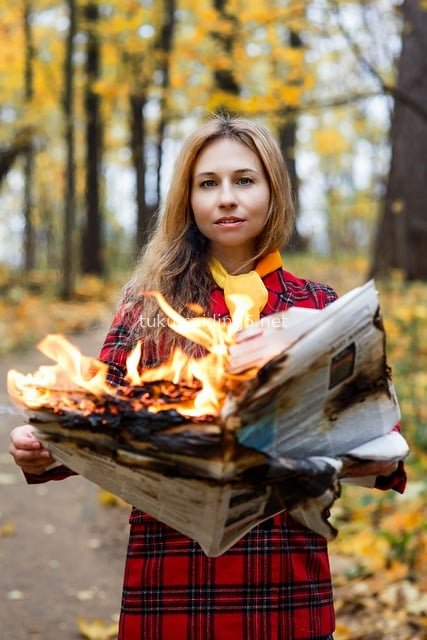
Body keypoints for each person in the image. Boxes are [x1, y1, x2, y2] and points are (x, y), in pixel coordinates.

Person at [9, 115, 406, 640]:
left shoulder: (320, 306)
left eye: (244, 180)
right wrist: (45, 449)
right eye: (207, 183)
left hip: (285, 578)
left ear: (273, 190)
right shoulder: (149, 308)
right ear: (188, 199)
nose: (226, 198)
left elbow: (381, 446)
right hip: (171, 576)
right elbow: (94, 421)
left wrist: (342, 458)